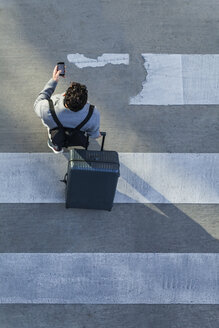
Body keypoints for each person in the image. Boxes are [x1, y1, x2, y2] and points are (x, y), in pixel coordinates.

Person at [34, 65, 101, 153]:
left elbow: (38, 103)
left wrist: (54, 81)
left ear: (64, 95)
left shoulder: (46, 108)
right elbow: (95, 135)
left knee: (54, 135)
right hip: (75, 135)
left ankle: (57, 147)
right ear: (85, 102)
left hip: (56, 131)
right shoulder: (93, 114)